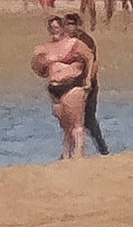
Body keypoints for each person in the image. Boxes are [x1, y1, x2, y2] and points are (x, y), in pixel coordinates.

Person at [32, 15, 94, 159]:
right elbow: (39, 69)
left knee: (76, 123)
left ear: (63, 28)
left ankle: (79, 154)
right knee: (65, 126)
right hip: (54, 88)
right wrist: (39, 62)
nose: (54, 31)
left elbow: (90, 58)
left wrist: (88, 79)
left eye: (57, 27)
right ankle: (66, 153)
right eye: (52, 28)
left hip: (72, 85)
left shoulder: (74, 43)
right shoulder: (46, 48)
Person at [62, 12, 110, 156]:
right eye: (67, 24)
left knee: (88, 119)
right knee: (69, 119)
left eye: (72, 24)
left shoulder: (85, 40)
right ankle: (70, 152)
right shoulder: (63, 41)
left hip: (87, 84)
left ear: (77, 25)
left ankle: (102, 149)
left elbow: (91, 62)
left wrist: (88, 81)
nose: (69, 28)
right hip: (70, 84)